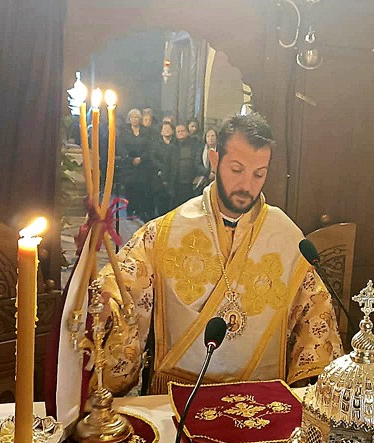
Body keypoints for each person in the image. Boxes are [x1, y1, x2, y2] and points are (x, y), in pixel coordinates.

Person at [96, 113, 342, 394]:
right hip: (176, 397)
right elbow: (125, 280)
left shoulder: (287, 238)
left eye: (259, 174)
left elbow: (315, 311)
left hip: (260, 399)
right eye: (236, 170)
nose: (247, 185)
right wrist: (108, 301)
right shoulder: (166, 232)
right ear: (214, 160)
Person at [118, 108, 154, 220]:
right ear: (129, 119)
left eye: (137, 117)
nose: (135, 119)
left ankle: (140, 211)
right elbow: (121, 147)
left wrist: (141, 158)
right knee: (130, 188)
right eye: (133, 117)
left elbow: (149, 147)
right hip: (128, 165)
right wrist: (131, 159)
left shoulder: (146, 131)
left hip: (142, 164)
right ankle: (130, 210)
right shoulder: (124, 131)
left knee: (141, 188)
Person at [172, 123, 202, 206]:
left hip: (191, 181)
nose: (180, 133)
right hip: (177, 182)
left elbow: (197, 161)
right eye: (178, 131)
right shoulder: (173, 146)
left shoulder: (195, 145)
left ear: (187, 132)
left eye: (182, 131)